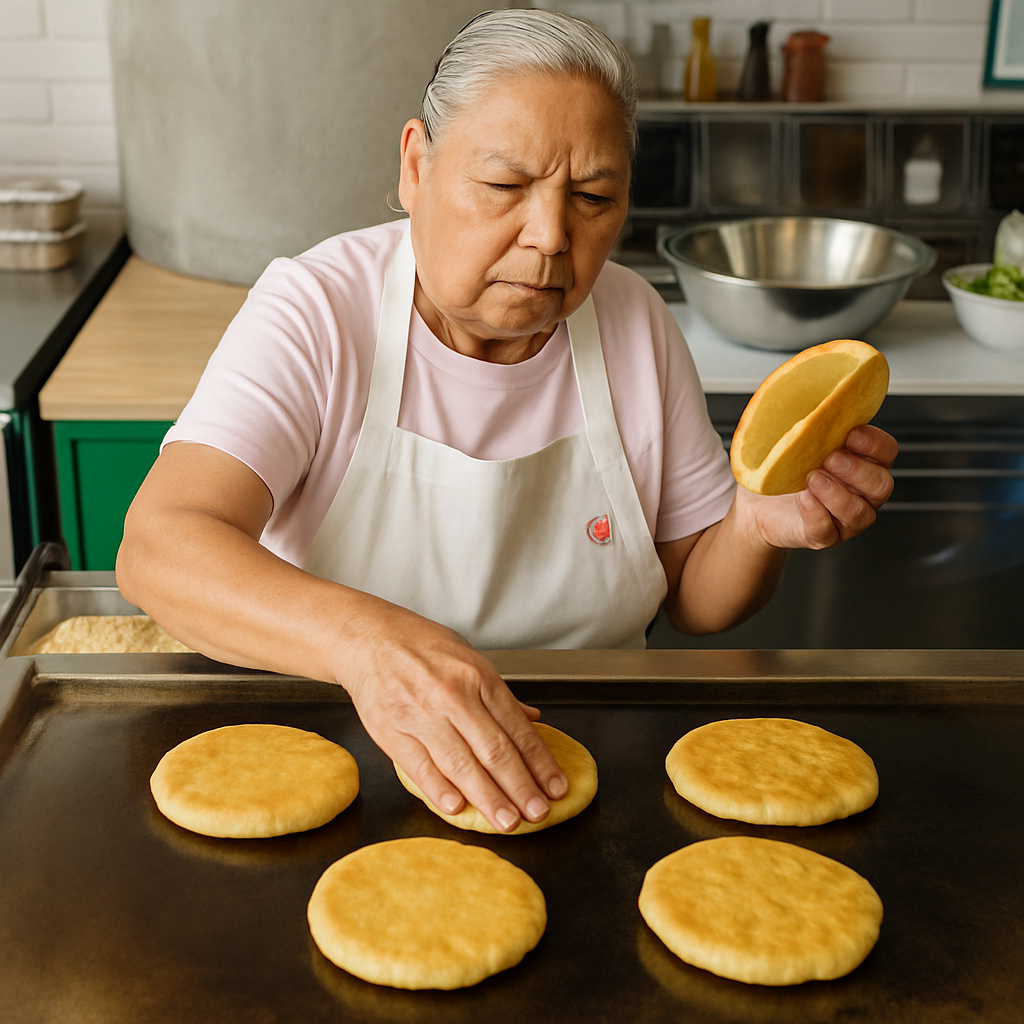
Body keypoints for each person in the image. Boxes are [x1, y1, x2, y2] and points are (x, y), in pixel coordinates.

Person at [116, 9, 897, 835]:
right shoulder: (317, 309)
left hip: (596, 776)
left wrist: (755, 526)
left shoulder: (635, 324)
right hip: (338, 764)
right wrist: (371, 649)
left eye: (593, 197)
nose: (551, 236)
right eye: (504, 187)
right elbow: (160, 547)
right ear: (417, 165)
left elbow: (698, 599)